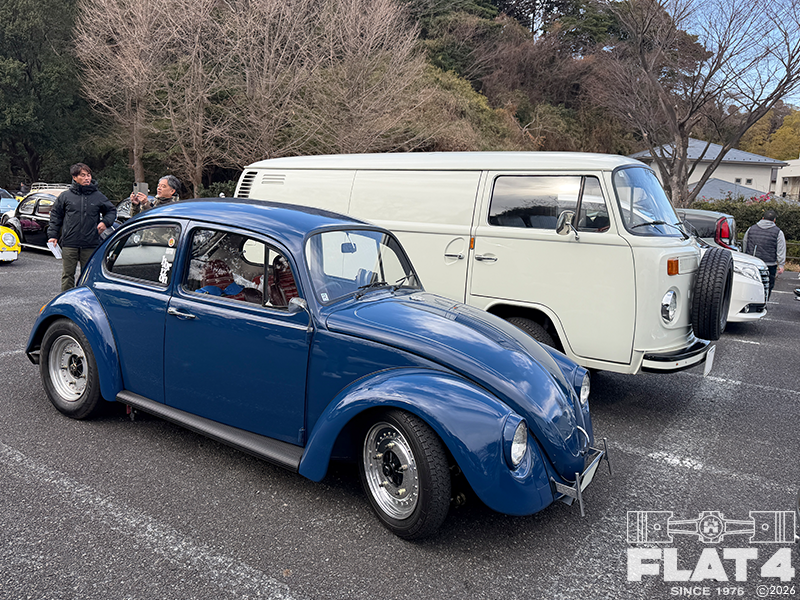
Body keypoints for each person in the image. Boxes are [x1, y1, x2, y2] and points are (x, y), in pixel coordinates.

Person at [48, 163, 116, 292]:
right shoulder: (65, 196)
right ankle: (66, 300)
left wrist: (105, 222)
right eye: (83, 175)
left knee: (88, 275)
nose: (87, 178)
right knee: (68, 275)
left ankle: (87, 299)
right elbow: (55, 216)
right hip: (70, 243)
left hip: (90, 243)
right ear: (74, 177)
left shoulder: (98, 196)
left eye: (88, 175)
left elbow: (111, 211)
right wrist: (52, 235)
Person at [742, 209, 785, 300]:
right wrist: (781, 264)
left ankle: (750, 301)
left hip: (752, 262)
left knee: (751, 284)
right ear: (774, 220)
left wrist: (745, 257)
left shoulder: (751, 229)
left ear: (762, 218)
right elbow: (781, 248)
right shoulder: (778, 232)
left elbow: (744, 243)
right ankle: (764, 302)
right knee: (767, 286)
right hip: (769, 264)